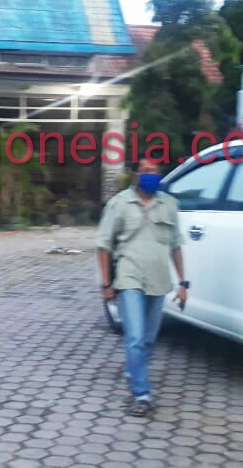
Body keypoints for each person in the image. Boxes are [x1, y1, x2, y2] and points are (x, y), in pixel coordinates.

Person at [96, 157, 187, 417]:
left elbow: (176, 246)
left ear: (161, 174)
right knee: (135, 337)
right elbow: (103, 245)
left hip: (158, 280)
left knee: (148, 339)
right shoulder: (119, 204)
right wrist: (105, 284)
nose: (150, 175)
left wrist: (183, 283)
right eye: (145, 171)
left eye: (155, 171)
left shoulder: (169, 205)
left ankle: (134, 368)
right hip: (129, 276)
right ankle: (142, 394)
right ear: (136, 174)